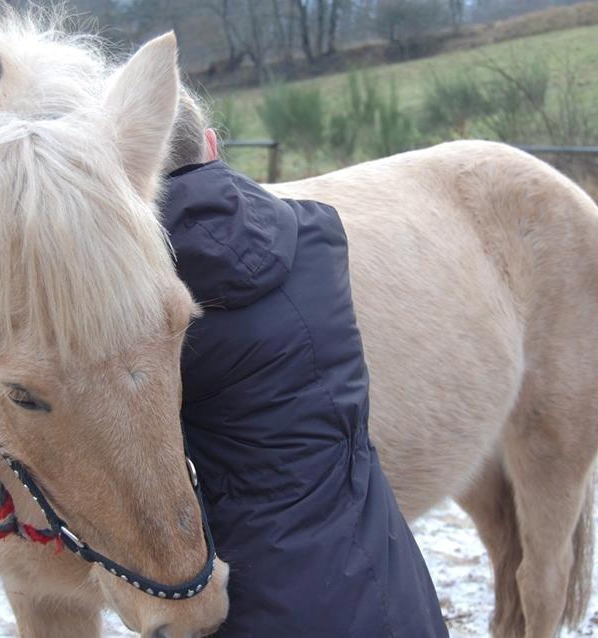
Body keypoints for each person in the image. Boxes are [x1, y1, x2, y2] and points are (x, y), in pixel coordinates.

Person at [159, 92, 449, 637]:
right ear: (215, 145)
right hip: (388, 572)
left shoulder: (148, 306)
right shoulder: (317, 233)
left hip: (258, 600)